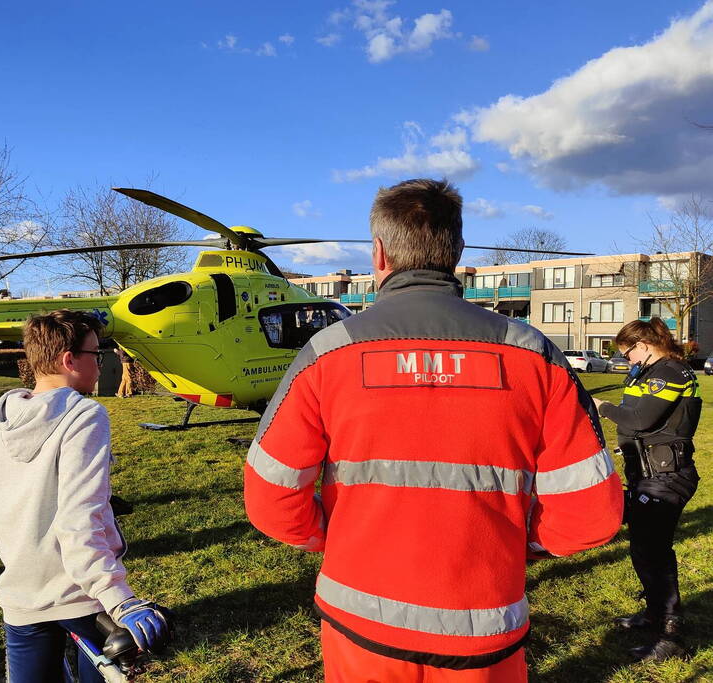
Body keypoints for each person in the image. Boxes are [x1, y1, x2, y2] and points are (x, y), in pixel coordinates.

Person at [243, 179, 624, 682]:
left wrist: (333, 537)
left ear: (378, 253)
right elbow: (590, 515)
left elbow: (271, 498)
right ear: (458, 252)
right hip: (485, 634)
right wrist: (516, 542)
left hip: (361, 628)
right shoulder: (532, 353)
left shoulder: (328, 353)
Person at [0, 310, 171, 682]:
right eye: (97, 354)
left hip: (22, 595)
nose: (103, 363)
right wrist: (120, 599)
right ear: (69, 360)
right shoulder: (85, 415)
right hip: (82, 595)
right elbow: (78, 520)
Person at [594, 318, 701, 661]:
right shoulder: (647, 371)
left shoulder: (671, 372)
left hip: (668, 477)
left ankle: (671, 635)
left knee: (655, 551)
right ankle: (654, 613)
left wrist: (604, 409)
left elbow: (640, 419)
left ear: (644, 344)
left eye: (628, 352)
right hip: (646, 473)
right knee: (642, 548)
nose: (628, 360)